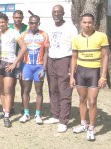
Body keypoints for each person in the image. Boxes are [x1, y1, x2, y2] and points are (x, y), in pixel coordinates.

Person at [70, 13, 109, 141]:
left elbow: (105, 56)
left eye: (90, 22)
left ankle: (91, 128)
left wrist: (103, 76)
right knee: (82, 99)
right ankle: (83, 124)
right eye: (85, 22)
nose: (87, 24)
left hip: (94, 72)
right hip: (80, 72)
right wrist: (72, 76)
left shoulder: (101, 36)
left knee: (92, 101)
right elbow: (74, 57)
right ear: (81, 23)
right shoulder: (76, 38)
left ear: (93, 23)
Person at [44, 4, 78, 133]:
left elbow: (75, 48)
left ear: (63, 13)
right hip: (51, 60)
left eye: (59, 11)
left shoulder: (70, 27)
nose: (56, 14)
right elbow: (47, 44)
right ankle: (55, 114)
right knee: (53, 89)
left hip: (65, 60)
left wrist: (72, 65)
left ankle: (63, 120)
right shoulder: (49, 26)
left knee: (64, 91)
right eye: (54, 11)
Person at [0, 10, 28, 119]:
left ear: (7, 22)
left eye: (3, 22)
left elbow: (23, 48)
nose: (1, 24)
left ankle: (7, 115)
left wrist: (15, 62)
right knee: (1, 89)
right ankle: (4, 110)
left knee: (8, 89)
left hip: (9, 62)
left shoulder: (13, 32)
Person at [18, 15, 49, 125]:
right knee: (26, 90)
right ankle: (26, 113)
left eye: (35, 23)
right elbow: (20, 53)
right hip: (26, 66)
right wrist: (19, 69)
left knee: (39, 91)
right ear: (29, 23)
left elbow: (46, 53)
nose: (33, 25)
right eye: (31, 23)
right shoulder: (23, 35)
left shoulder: (44, 35)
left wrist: (44, 69)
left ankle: (38, 114)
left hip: (39, 67)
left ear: (39, 23)